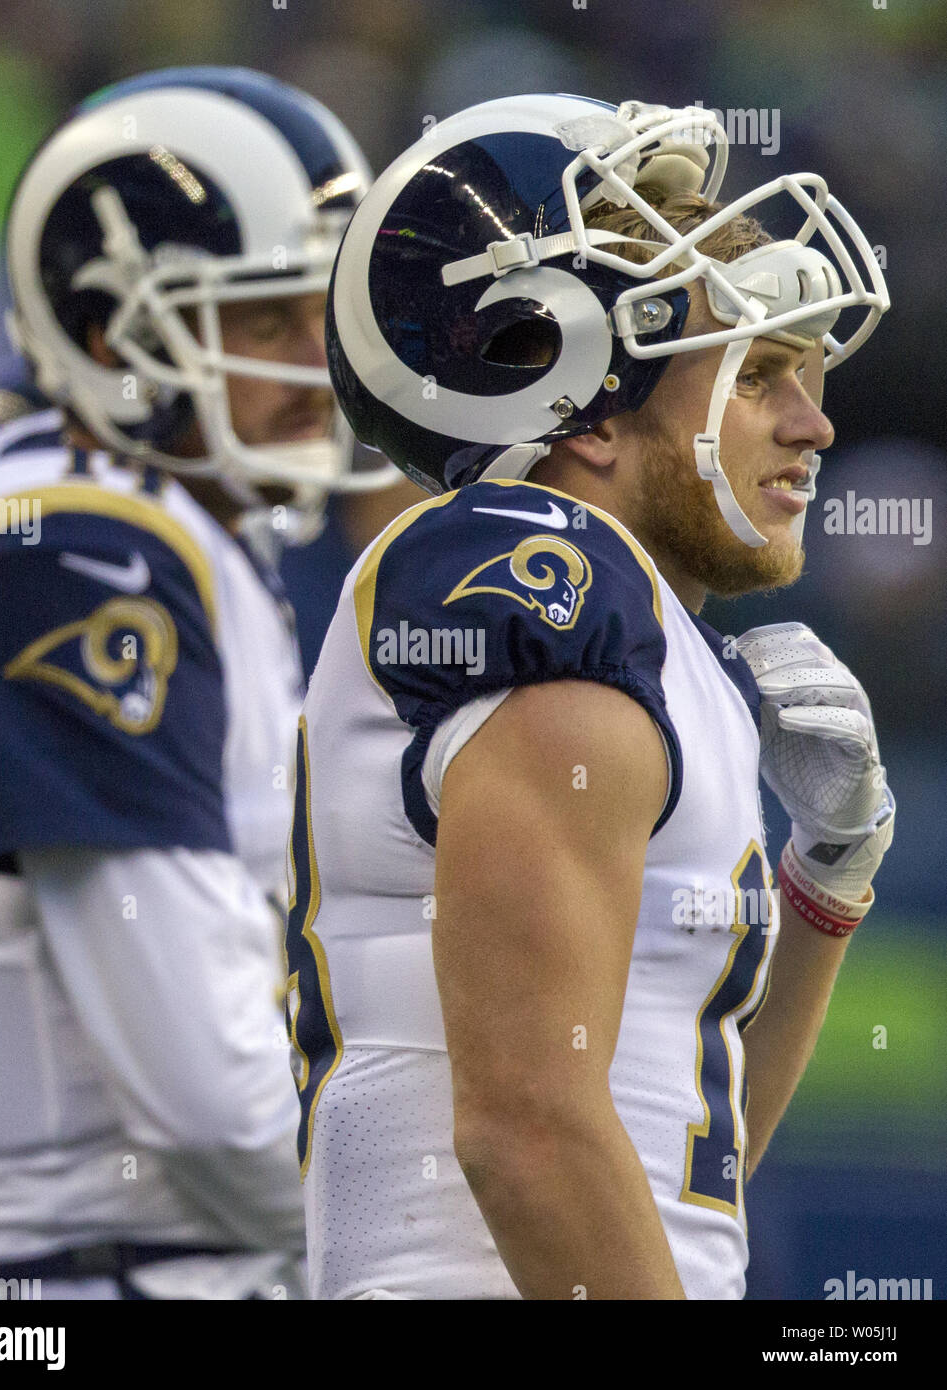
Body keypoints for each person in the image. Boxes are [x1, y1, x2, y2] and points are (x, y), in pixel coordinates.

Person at [286, 96, 896, 1299]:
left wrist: (826, 879)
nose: (813, 424)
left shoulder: (662, 638)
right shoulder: (544, 578)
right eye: (760, 372)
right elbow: (527, 1132)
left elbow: (693, 1153)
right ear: (588, 405)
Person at [0, 66, 398, 1300]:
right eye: (264, 322)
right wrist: (449, 1231)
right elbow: (204, 1099)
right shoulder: (69, 549)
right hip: (68, 1280)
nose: (316, 366)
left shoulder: (177, 518)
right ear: (107, 337)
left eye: (322, 317)